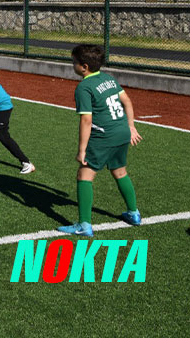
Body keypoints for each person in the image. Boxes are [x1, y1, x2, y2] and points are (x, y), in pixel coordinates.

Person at [58, 44, 143, 238]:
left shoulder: (84, 87)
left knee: (84, 176)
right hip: (122, 132)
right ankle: (134, 214)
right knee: (120, 172)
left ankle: (84, 225)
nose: (73, 65)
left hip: (104, 136)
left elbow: (86, 120)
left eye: (74, 62)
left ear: (84, 67)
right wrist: (131, 126)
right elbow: (127, 101)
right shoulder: (109, 78)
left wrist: (82, 149)